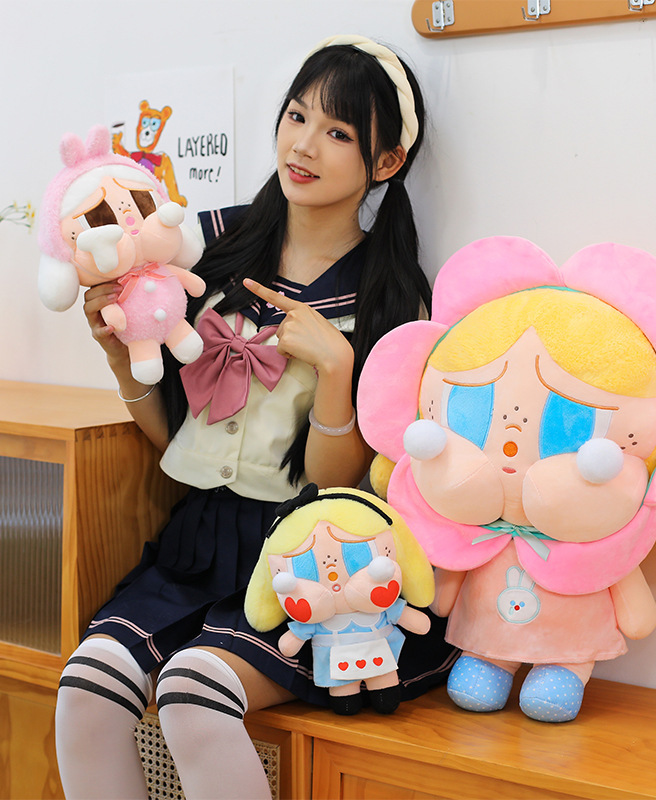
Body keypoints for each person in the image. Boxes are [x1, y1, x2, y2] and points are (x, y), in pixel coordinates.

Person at [54, 34, 457, 800]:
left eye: (337, 132)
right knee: (86, 691)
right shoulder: (209, 247)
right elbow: (177, 438)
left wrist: (335, 367)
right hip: (197, 540)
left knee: (193, 697)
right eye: (297, 116)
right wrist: (116, 354)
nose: (303, 145)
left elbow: (336, 484)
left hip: (308, 556)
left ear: (386, 161)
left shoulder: (392, 294)